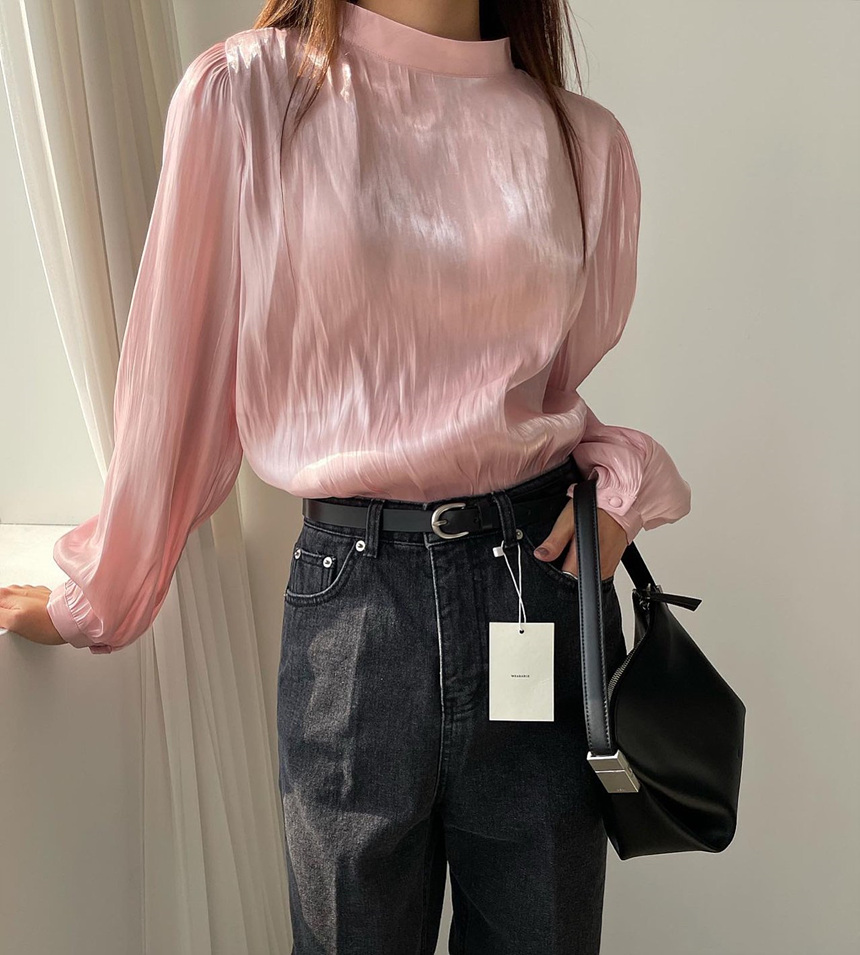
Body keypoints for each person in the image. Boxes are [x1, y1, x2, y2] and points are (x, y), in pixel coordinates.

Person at [0, 1, 691, 951]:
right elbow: (178, 382)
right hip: (356, 606)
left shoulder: (584, 142)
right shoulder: (247, 94)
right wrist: (98, 598)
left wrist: (623, 487)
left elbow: (539, 395)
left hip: (535, 584)